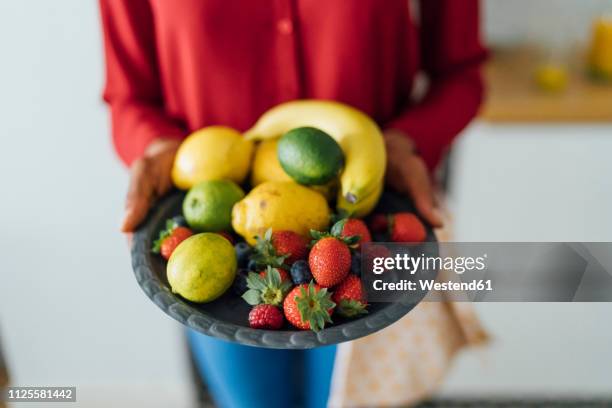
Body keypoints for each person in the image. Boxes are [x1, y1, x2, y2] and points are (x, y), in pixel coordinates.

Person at [100, 1, 487, 407]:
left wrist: (408, 140)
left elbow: (461, 76)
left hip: (368, 227)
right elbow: (129, 97)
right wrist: (157, 147)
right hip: (213, 234)